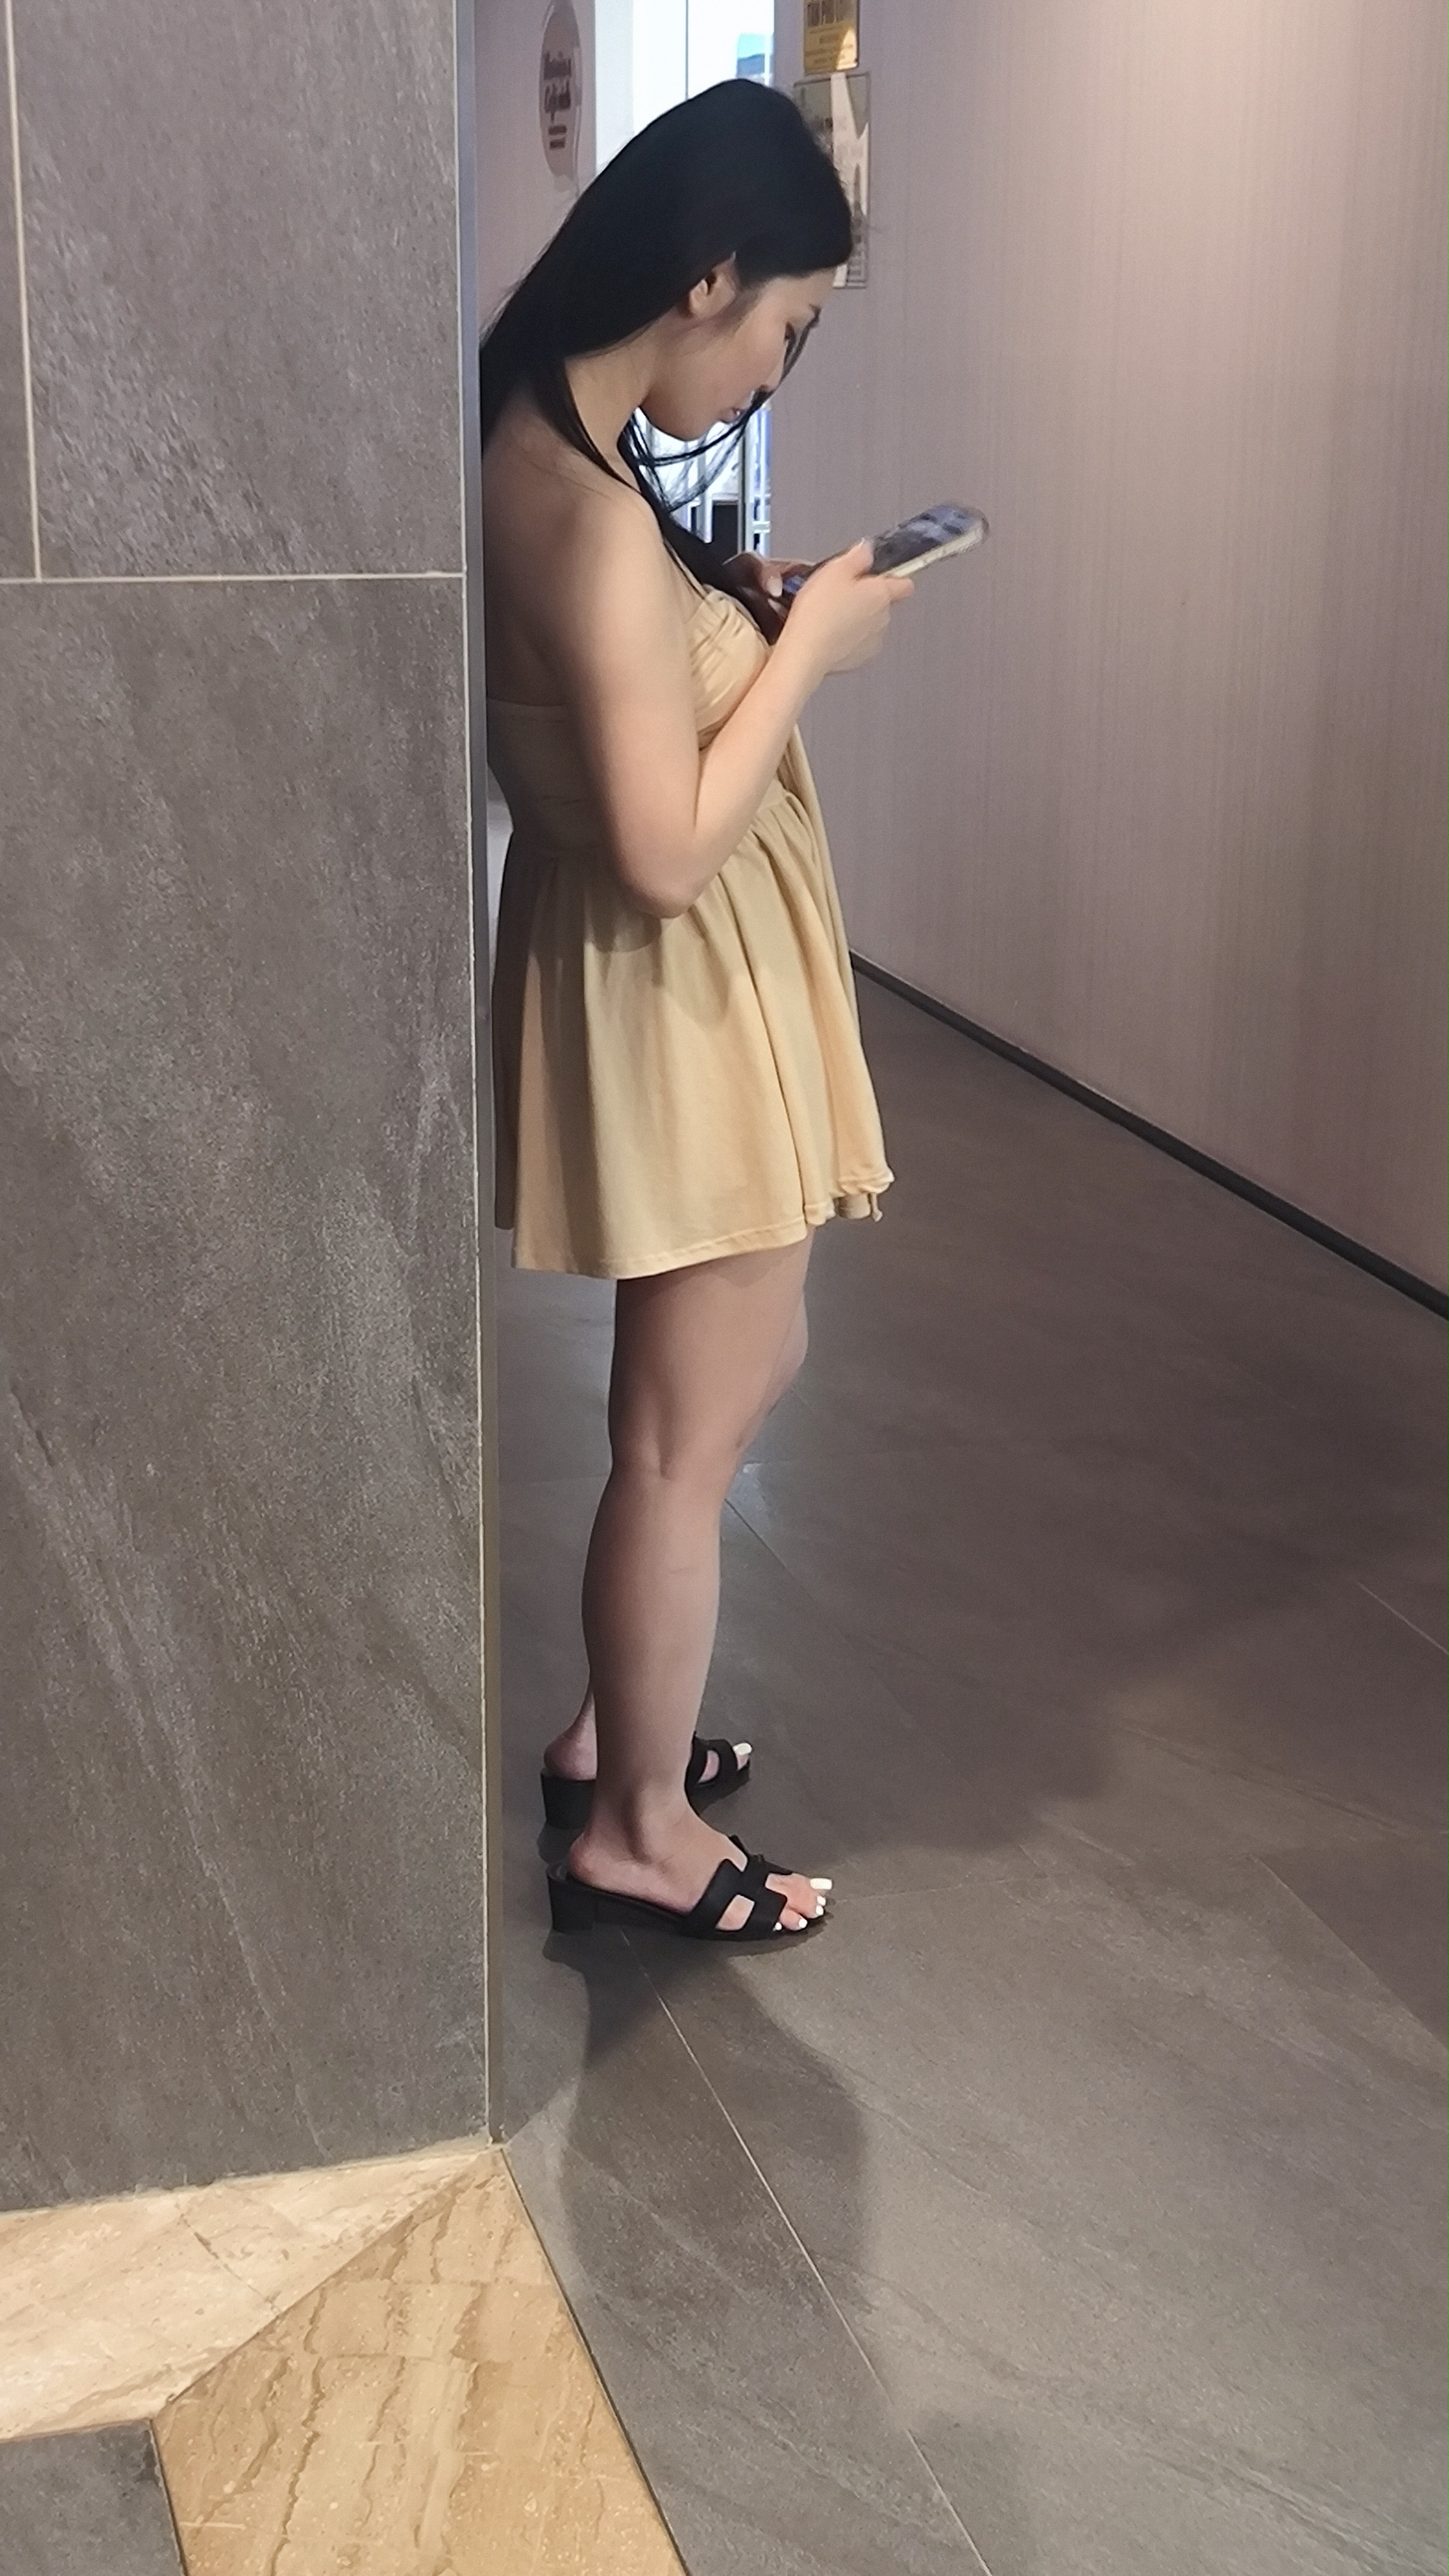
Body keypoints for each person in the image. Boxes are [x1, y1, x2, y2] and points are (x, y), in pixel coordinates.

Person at [481, 80, 912, 1944]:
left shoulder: (538, 433)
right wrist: (805, 651)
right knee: (681, 1431)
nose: (767, 376)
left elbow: (622, 705)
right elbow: (664, 850)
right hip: (681, 985)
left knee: (728, 1379)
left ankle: (618, 1733)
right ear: (713, 273)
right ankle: (638, 1833)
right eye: (785, 333)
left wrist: (737, 604)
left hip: (663, 995)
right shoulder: (583, 508)